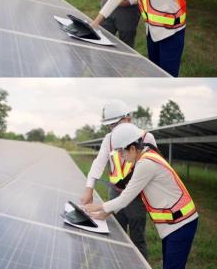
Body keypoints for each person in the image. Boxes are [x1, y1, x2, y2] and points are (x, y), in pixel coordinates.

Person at [84, 123, 198, 269]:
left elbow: (125, 198)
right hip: (173, 223)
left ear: (132, 148)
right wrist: (106, 212)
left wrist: (97, 207)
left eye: (121, 152)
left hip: (181, 223)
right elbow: (128, 194)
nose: (120, 156)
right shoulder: (145, 155)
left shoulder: (145, 164)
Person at [81, 100, 148, 258]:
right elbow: (98, 164)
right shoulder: (109, 139)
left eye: (115, 124)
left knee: (137, 238)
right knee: (116, 234)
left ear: (127, 119)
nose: (113, 129)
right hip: (115, 192)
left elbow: (147, 167)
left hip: (136, 197)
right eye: (110, 125)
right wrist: (89, 189)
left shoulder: (146, 137)